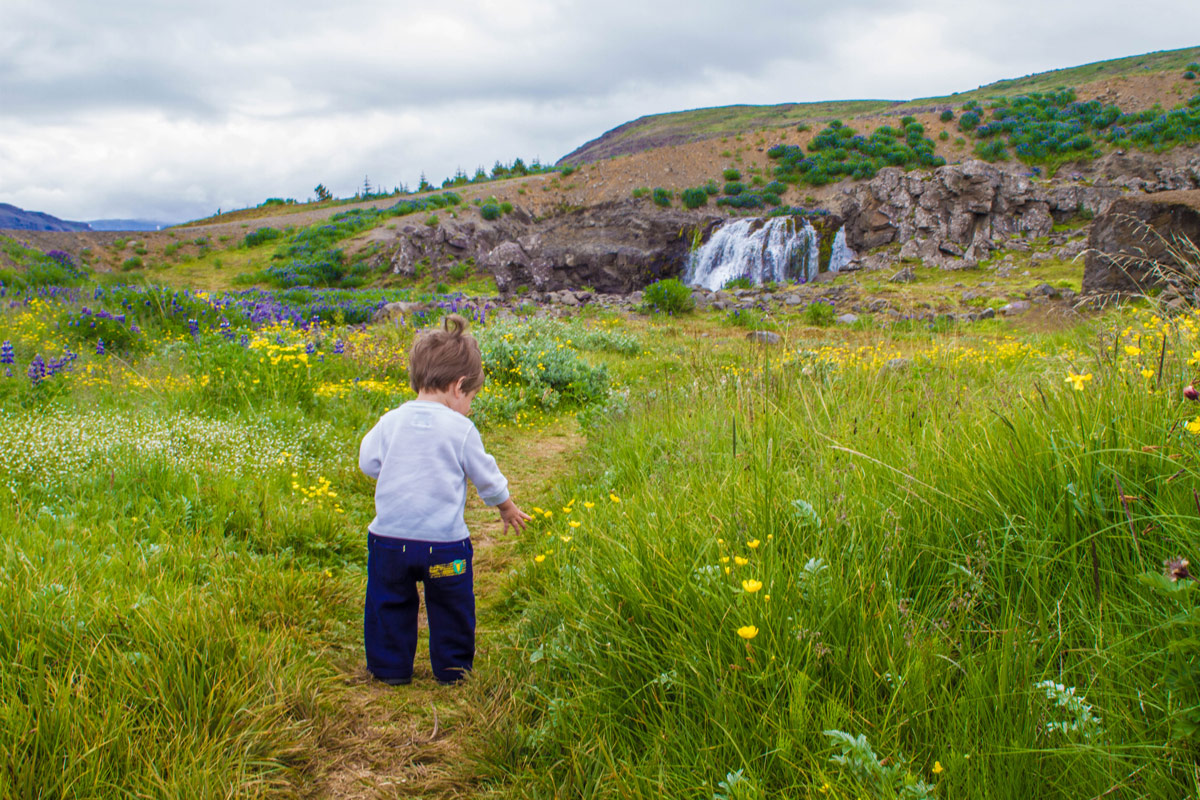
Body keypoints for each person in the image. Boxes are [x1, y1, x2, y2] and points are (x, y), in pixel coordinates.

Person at [358, 314, 530, 685]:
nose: (469, 405)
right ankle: (453, 670)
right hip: (444, 550)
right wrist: (506, 507)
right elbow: (486, 474)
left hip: (389, 544)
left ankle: (389, 669)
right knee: (451, 606)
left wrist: (395, 471)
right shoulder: (460, 428)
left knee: (388, 603)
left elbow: (367, 461)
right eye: (470, 397)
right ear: (459, 386)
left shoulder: (391, 420)